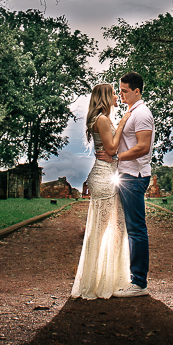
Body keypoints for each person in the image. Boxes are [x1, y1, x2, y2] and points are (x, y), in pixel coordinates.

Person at [70, 82, 132, 299]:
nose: (117, 96)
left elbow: (112, 151)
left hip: (108, 174)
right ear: (105, 97)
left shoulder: (103, 119)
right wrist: (124, 121)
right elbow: (112, 148)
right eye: (115, 93)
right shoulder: (103, 119)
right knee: (103, 229)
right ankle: (95, 280)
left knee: (115, 228)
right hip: (105, 178)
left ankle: (109, 278)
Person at [96, 71, 154, 298]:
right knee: (130, 228)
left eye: (124, 91)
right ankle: (132, 278)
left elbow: (143, 147)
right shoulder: (131, 112)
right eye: (119, 91)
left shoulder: (142, 114)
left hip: (134, 176)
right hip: (126, 175)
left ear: (137, 91)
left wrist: (117, 158)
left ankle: (139, 283)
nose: (119, 95)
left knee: (136, 229)